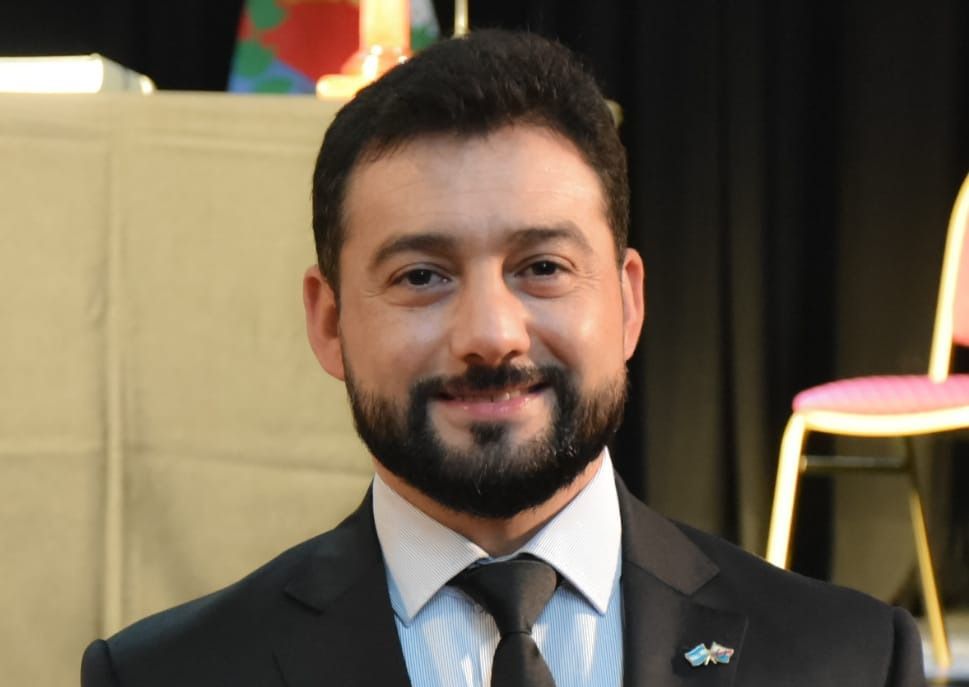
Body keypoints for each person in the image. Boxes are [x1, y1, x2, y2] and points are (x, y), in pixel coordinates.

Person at [81, 30, 925, 687]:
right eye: (421, 275)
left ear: (628, 302)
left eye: (542, 267)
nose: (490, 333)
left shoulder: (848, 659)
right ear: (329, 322)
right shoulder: (164, 674)